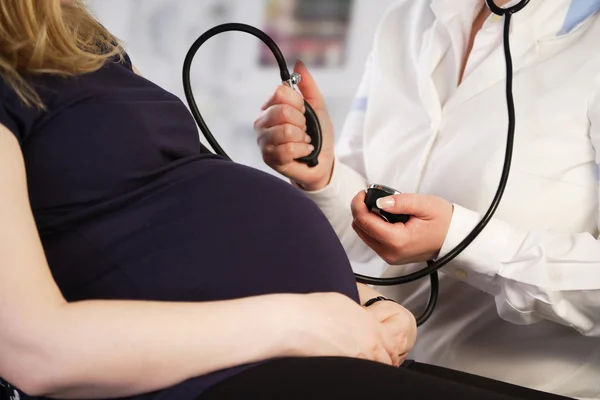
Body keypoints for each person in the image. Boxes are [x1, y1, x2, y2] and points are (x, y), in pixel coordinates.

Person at [0, 1, 573, 400]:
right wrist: (325, 186)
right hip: (240, 370)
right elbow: (35, 347)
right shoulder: (406, 24)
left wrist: (366, 309)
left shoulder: (77, 45)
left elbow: (171, 215)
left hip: (364, 356)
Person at [254, 0, 600, 399]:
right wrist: (324, 176)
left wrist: (459, 241)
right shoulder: (406, 20)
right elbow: (366, 237)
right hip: (383, 374)